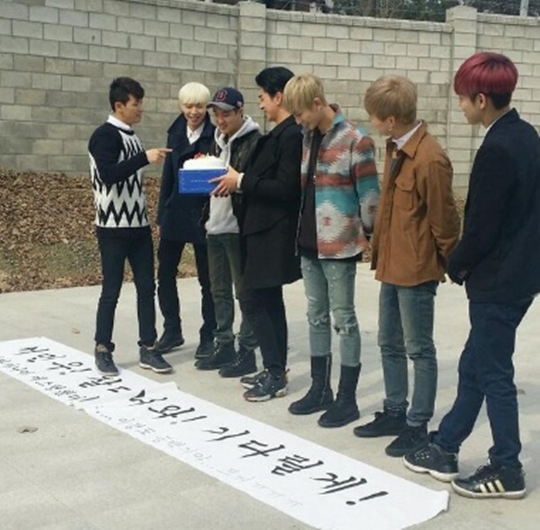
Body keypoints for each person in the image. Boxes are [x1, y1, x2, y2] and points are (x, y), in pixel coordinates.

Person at [404, 52, 540, 499]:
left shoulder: (497, 149)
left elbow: (483, 227)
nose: (460, 106)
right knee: (474, 365)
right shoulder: (527, 135)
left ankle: (507, 468)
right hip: (520, 276)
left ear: (482, 99)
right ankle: (445, 446)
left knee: (494, 374)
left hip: (499, 280)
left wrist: (455, 264)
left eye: (463, 98)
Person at [353, 75, 460, 458]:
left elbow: (445, 219)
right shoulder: (397, 148)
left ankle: (417, 424)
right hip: (392, 265)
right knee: (389, 342)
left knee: (419, 348)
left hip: (416, 270)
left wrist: (450, 263)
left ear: (391, 119)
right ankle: (395, 411)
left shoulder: (429, 158)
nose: (371, 121)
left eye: (374, 116)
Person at [283, 74, 379, 428]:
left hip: (340, 245)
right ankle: (320, 388)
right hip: (309, 242)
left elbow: (370, 197)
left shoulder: (356, 140)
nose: (297, 120)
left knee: (344, 320)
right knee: (316, 317)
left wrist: (368, 235)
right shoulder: (308, 138)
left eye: (300, 113)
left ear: (317, 103)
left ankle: (347, 399)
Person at [211, 67, 302, 401]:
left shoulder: (291, 136)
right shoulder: (279, 134)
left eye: (263, 97)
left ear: (279, 97)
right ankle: (274, 368)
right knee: (266, 301)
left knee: (257, 300)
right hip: (258, 230)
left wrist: (242, 181)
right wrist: (238, 180)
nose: (261, 104)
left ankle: (275, 374)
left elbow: (286, 188)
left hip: (272, 233)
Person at [88, 77, 172, 376]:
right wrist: (143, 158)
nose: (140, 109)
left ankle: (148, 347)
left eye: (140, 103)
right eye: (136, 103)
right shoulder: (104, 135)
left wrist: (142, 157)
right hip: (112, 227)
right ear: (119, 105)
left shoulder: (132, 135)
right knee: (111, 290)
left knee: (147, 288)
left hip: (138, 225)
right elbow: (109, 174)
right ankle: (103, 348)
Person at [195, 87, 261, 374]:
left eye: (226, 114)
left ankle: (247, 350)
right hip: (215, 224)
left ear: (240, 111)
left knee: (244, 292)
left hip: (238, 227)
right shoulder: (215, 141)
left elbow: (255, 182)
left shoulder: (255, 142)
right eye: (216, 115)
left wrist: (237, 183)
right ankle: (224, 345)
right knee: (218, 290)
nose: (220, 120)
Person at [156, 82, 216, 359]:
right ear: (181, 106)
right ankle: (172, 329)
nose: (194, 112)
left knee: (208, 279)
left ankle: (209, 335)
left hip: (204, 214)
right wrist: (162, 213)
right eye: (188, 106)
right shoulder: (174, 133)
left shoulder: (215, 135)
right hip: (175, 212)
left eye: (199, 106)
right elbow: (167, 177)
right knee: (165, 274)